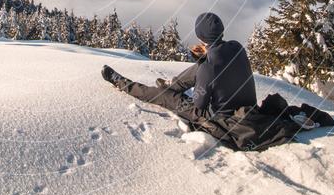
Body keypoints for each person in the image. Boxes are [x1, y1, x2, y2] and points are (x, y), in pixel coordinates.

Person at [101, 12, 257, 124]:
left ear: (200, 37)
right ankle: (172, 85)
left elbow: (199, 104)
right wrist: (205, 58)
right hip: (248, 108)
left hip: (220, 118)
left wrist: (204, 65)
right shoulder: (237, 47)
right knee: (200, 67)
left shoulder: (208, 67)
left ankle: (121, 82)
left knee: (163, 96)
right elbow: (221, 65)